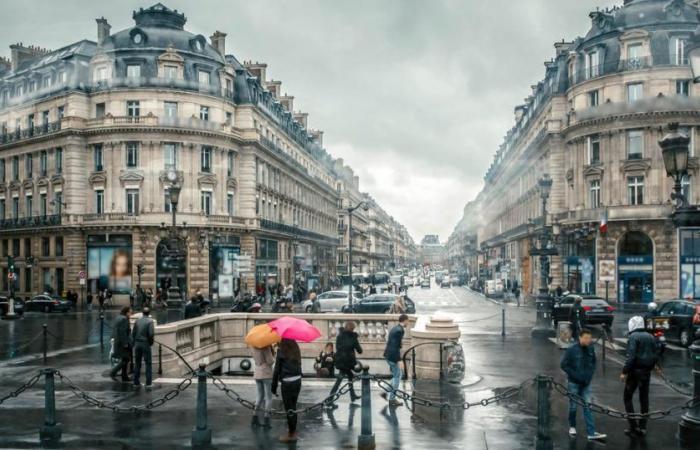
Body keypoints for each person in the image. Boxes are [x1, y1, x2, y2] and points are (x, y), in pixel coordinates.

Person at [560, 328, 607, 441]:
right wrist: (575, 375)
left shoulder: (591, 349)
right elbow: (564, 365)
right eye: (586, 338)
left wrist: (589, 376)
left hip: (586, 383)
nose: (588, 340)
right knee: (573, 407)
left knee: (588, 407)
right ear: (580, 337)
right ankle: (572, 426)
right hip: (574, 383)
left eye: (590, 338)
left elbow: (593, 362)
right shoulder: (572, 350)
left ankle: (591, 432)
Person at [621, 316, 659, 437]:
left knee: (627, 397)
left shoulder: (633, 337)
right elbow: (656, 353)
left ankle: (633, 427)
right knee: (644, 398)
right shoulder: (650, 336)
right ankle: (643, 427)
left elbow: (631, 357)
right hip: (646, 372)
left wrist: (624, 372)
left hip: (635, 371)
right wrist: (654, 365)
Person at [272, 338, 302, 443]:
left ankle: (291, 434)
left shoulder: (281, 350)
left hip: (287, 383)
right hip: (297, 380)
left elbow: (276, 370)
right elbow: (299, 364)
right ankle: (292, 430)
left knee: (289, 409)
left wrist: (273, 387)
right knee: (293, 407)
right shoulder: (296, 348)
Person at [330, 321, 362, 405]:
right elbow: (359, 350)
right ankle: (330, 399)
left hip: (340, 360)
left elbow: (337, 347)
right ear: (352, 329)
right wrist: (356, 346)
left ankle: (352, 396)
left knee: (350, 376)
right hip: (347, 362)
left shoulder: (339, 336)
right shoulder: (353, 337)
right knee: (339, 379)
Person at [382, 314, 408, 407]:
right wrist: (399, 359)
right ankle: (392, 399)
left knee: (395, 375)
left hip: (388, 354)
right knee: (398, 376)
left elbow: (393, 342)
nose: (408, 323)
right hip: (392, 356)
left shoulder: (395, 328)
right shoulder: (399, 331)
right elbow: (394, 345)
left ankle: (385, 392)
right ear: (404, 320)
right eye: (407, 321)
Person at [251, 345, 275, 428]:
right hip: (266, 373)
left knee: (259, 396)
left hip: (257, 372)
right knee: (269, 397)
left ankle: (254, 418)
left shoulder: (253, 346)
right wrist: (273, 355)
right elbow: (270, 361)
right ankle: (266, 420)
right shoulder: (266, 346)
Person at [131, 307, 155, 387]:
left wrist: (134, 342)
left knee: (137, 363)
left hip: (137, 344)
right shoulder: (150, 321)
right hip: (145, 343)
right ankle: (148, 383)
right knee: (148, 363)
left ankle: (136, 382)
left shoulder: (137, 320)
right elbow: (151, 334)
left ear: (142, 313)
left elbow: (133, 333)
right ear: (149, 313)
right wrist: (150, 343)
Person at [109, 306, 132, 382]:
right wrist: (125, 343)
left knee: (124, 358)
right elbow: (123, 332)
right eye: (130, 312)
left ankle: (124, 376)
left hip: (117, 341)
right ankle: (114, 372)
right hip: (122, 343)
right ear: (126, 312)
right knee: (126, 359)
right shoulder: (124, 319)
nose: (131, 313)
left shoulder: (118, 317)